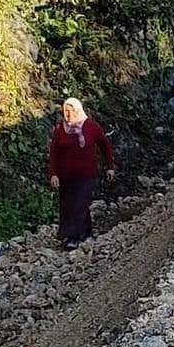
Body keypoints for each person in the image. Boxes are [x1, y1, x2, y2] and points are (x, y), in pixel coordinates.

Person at [48, 98, 116, 248]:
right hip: (66, 176)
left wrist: (110, 166)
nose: (67, 114)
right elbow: (54, 153)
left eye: (70, 111)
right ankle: (86, 231)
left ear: (77, 111)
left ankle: (73, 237)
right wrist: (53, 174)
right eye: (65, 111)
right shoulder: (60, 130)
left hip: (86, 174)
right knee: (68, 205)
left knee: (79, 203)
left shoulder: (90, 126)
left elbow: (105, 145)